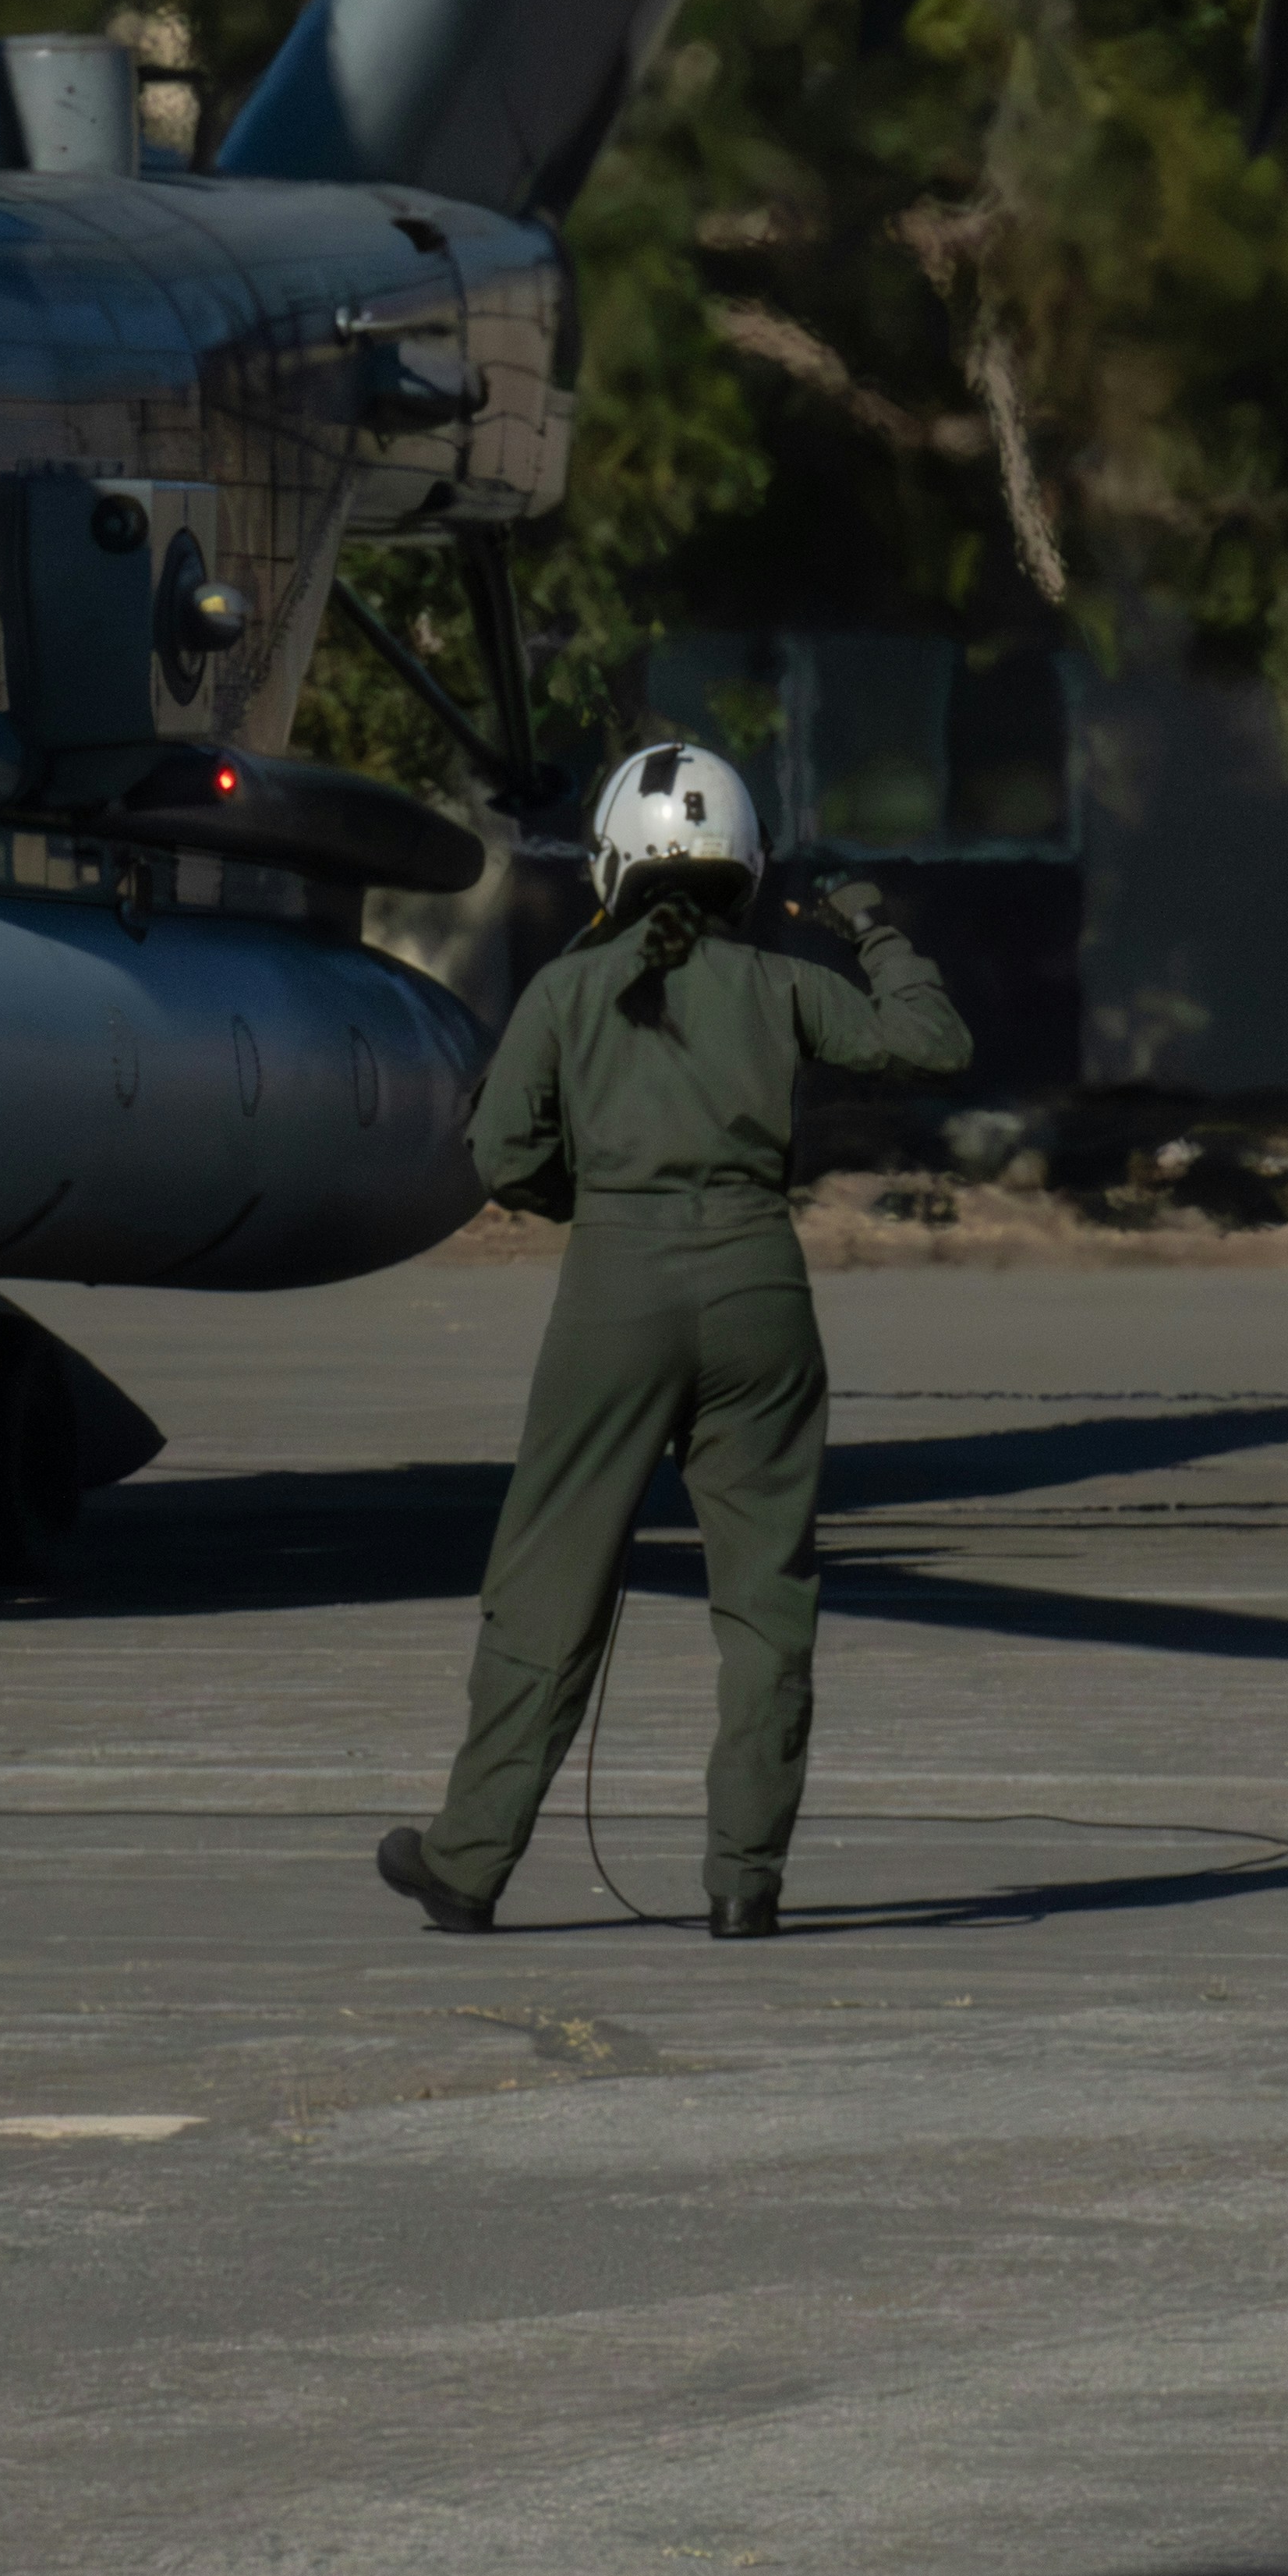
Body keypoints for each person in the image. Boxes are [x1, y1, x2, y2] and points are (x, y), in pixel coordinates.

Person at [377, 740, 971, 1944]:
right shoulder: (779, 985)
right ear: (741, 866)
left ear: (613, 862)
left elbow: (500, 1155)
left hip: (617, 1289)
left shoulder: (564, 990)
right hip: (762, 1288)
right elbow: (933, 1043)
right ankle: (744, 1881)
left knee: (548, 1587)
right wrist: (870, 924)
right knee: (767, 1604)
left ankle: (470, 1862)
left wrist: (585, 1205)